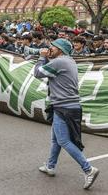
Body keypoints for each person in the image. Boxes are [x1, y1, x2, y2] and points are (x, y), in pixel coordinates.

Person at [34, 38, 99, 190]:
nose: (50, 48)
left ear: (60, 50)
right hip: (68, 106)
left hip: (64, 107)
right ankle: (50, 166)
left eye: (53, 47)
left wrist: (42, 56)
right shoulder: (68, 61)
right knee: (56, 139)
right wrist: (47, 57)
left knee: (63, 140)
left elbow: (37, 73)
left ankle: (88, 169)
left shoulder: (59, 62)